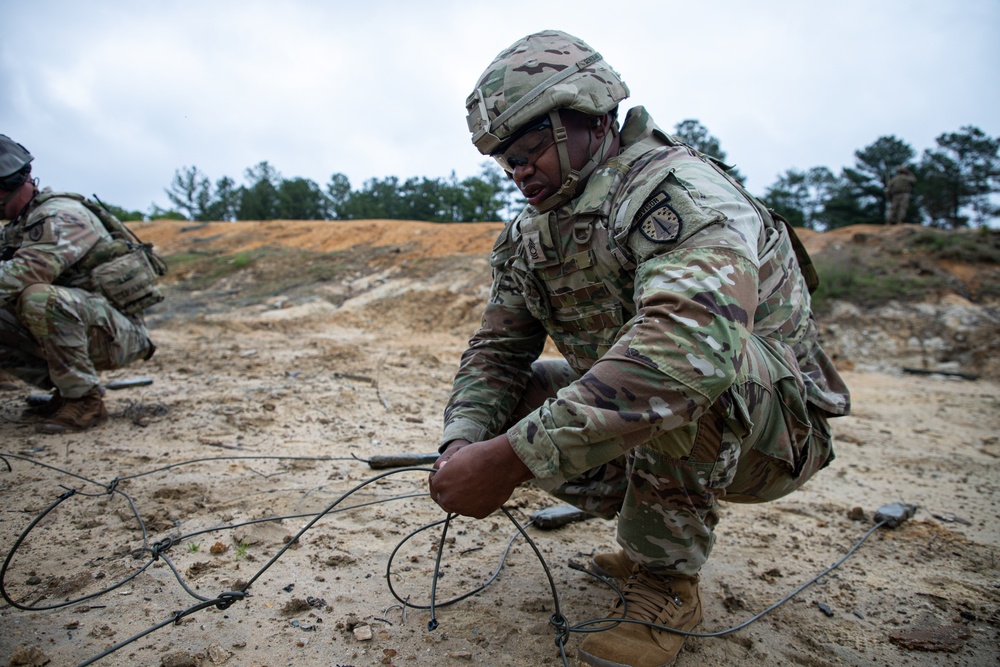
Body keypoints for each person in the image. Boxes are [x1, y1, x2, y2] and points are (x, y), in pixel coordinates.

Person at [427, 30, 851, 667]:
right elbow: (495, 351)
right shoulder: (532, 235)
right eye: (504, 158)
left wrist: (512, 459)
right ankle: (649, 529)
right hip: (675, 415)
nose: (518, 171)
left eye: (532, 147)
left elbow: (687, 349)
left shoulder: (678, 192)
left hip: (775, 435)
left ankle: (665, 582)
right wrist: (464, 442)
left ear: (591, 116)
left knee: (682, 365)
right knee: (520, 398)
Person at [0, 135, 157, 434]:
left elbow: (19, 276)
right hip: (88, 325)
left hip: (118, 335)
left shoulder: (60, 215)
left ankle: (85, 401)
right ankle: (65, 391)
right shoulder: (19, 225)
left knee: (38, 298)